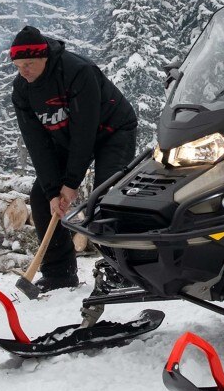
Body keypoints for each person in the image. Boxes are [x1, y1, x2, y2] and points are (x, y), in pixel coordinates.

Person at [10, 26, 138, 292]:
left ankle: (125, 271)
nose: (24, 71)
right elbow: (38, 144)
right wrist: (52, 190)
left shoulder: (78, 72)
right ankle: (59, 274)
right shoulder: (22, 90)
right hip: (65, 139)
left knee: (107, 197)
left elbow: (85, 132)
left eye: (29, 64)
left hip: (112, 131)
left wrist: (70, 184)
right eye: (19, 65)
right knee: (40, 197)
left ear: (44, 57)